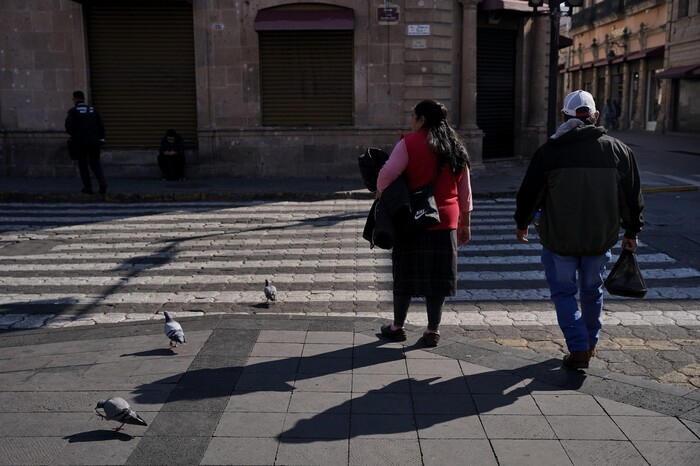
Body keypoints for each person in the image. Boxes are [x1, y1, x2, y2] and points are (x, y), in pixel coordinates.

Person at [514, 90, 644, 369]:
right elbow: (632, 198)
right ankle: (590, 342)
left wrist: (522, 222)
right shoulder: (619, 150)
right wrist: (632, 232)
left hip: (559, 239)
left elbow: (529, 194)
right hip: (600, 239)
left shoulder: (549, 151)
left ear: (564, 116)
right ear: (595, 116)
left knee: (563, 293)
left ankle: (578, 347)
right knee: (592, 291)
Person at [377, 99, 473, 347]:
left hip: (413, 219)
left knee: (405, 272)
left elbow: (386, 175)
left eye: (413, 117)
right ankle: (432, 330)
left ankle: (397, 327)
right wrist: (465, 223)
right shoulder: (455, 146)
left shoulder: (408, 143)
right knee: (438, 278)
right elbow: (465, 190)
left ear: (421, 119)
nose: (411, 121)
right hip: (446, 220)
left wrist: (383, 195)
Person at [65, 90, 107, 195]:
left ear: (75, 99)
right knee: (95, 164)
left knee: (83, 165)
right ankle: (102, 183)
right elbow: (101, 126)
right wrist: (101, 139)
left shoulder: (73, 112)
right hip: (94, 142)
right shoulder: (93, 110)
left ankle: (88, 187)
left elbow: (69, 128)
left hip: (80, 143)